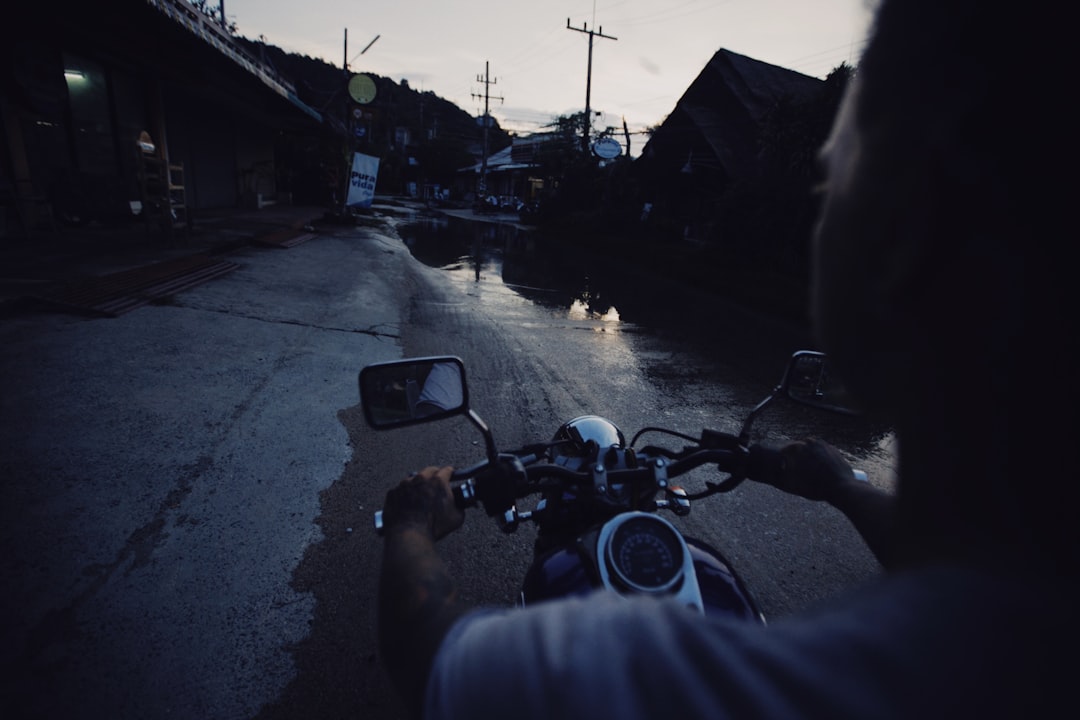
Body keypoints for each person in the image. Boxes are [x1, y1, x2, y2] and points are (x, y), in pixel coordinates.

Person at [377, 1, 1077, 717]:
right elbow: (961, 569)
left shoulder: (694, 687)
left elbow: (428, 654)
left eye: (833, 184)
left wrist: (408, 524)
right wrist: (845, 483)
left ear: (896, 260)